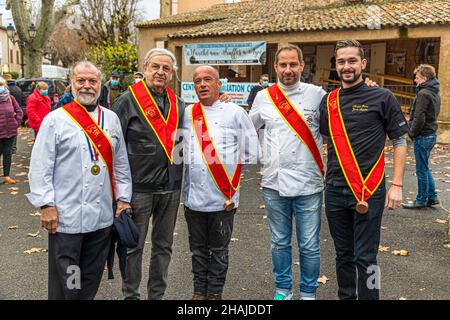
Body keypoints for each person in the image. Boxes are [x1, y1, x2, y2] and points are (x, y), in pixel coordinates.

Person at [26, 61, 132, 300]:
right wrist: (46, 205)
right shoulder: (55, 120)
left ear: (99, 84)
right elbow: (40, 166)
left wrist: (124, 199)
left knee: (90, 279)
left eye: (92, 81)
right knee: (68, 282)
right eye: (81, 81)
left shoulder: (112, 119)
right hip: (66, 219)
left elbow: (121, 164)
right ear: (72, 85)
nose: (87, 86)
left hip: (101, 219)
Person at [319, 39, 409, 300]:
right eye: (341, 62)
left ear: (363, 63)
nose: (347, 66)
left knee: (367, 256)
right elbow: (327, 139)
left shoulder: (382, 96)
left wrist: (397, 184)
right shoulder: (329, 101)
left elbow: (400, 140)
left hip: (369, 191)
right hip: (335, 190)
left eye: (352, 61)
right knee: (343, 254)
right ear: (336, 65)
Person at [249, 44, 326, 300]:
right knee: (280, 242)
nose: (288, 69)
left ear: (302, 65)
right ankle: (283, 289)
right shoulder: (264, 96)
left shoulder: (318, 95)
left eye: (293, 64)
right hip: (274, 183)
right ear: (275, 67)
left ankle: (308, 292)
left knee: (309, 245)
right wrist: (223, 104)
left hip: (309, 183)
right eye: (283, 65)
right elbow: (246, 128)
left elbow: (338, 123)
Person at [111, 48, 185, 300]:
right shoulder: (126, 100)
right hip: (138, 189)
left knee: (164, 247)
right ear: (145, 67)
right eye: (156, 66)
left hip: (170, 188)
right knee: (133, 247)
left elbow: (182, 143)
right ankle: (131, 296)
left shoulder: (179, 104)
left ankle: (157, 296)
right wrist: (118, 193)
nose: (160, 72)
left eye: (166, 68)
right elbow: (112, 146)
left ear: (172, 73)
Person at [182, 65, 258, 300]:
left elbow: (250, 152)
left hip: (223, 196)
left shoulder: (235, 112)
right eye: (197, 81)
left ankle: (215, 293)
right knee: (197, 250)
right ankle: (198, 292)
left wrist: (227, 173)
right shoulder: (187, 113)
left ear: (219, 85)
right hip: (193, 197)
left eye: (208, 79)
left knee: (219, 250)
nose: (202, 84)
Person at [403, 64, 440, 209]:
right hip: (430, 134)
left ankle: (421, 199)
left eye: (417, 77)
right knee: (425, 167)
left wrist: (411, 133)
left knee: (421, 169)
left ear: (424, 78)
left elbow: (419, 117)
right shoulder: (434, 92)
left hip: (423, 135)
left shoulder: (424, 93)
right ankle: (432, 196)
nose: (415, 80)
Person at [0, 76, 23, 184]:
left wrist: (16, 123)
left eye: (1, 85)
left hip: (10, 132)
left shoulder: (10, 98)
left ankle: (7, 176)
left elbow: (19, 111)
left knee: (7, 154)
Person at [3, 73, 23, 154]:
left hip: (8, 114)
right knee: (14, 132)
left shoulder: (7, 91)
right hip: (14, 113)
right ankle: (13, 147)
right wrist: (17, 122)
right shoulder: (18, 88)